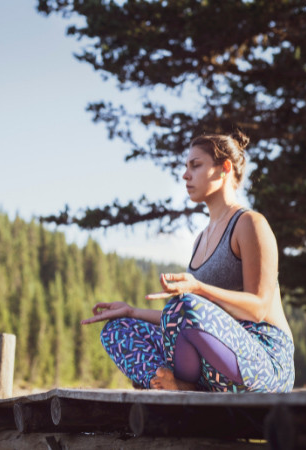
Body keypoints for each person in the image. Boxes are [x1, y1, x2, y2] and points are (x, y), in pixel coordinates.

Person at [81, 131, 294, 393]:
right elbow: (187, 320)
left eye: (196, 165)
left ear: (224, 168)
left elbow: (258, 308)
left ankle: (185, 387)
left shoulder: (249, 224)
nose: (185, 175)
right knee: (117, 330)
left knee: (182, 305)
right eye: (186, 167)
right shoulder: (200, 240)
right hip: (213, 368)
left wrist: (198, 289)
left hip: (265, 363)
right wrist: (132, 312)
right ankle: (180, 387)